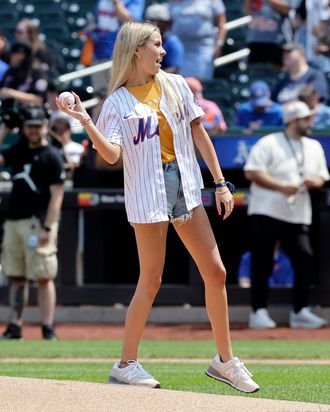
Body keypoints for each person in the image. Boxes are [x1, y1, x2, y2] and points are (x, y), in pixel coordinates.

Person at [56, 21, 259, 392]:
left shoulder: (176, 84)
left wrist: (220, 183)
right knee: (151, 279)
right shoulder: (116, 101)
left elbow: (199, 132)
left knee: (216, 272)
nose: (163, 51)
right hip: (149, 188)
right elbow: (112, 155)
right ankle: (125, 364)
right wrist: (86, 121)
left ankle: (225, 361)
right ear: (137, 49)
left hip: (185, 180)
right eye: (157, 44)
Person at [244, 100, 329, 329]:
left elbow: (322, 176)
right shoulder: (269, 142)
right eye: (306, 118)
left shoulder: (314, 146)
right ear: (293, 120)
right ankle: (258, 311)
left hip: (297, 212)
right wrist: (281, 187)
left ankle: (300, 310)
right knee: (262, 261)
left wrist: (315, 182)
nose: (310, 122)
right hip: (267, 209)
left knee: (304, 257)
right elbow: (252, 171)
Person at [0, 106, 65, 340]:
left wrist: (49, 226)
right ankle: (15, 326)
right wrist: (6, 127)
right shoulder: (19, 150)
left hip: (38, 222)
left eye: (37, 126)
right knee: (16, 276)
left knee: (43, 276)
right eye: (29, 126)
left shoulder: (52, 156)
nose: (34, 131)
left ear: (45, 127)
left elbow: (57, 195)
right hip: (14, 220)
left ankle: (48, 327)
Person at [82, 0, 145, 91]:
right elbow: (97, 20)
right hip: (99, 53)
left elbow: (132, 22)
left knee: (120, 91)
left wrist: (117, 3)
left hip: (120, 54)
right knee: (101, 93)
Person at [169, 0, 227, 80]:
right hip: (179, 47)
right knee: (178, 82)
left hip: (202, 48)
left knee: (199, 83)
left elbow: (221, 22)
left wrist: (219, 43)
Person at [244, 0, 292, 68]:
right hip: (256, 40)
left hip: (276, 41)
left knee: (278, 69)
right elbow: (247, 11)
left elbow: (288, 10)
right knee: (256, 70)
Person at [144, 2, 184, 74]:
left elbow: (174, 69)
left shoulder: (172, 42)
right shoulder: (140, 40)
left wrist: (151, 76)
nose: (155, 24)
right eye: (152, 21)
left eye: (160, 21)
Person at [48, 111, 85, 177]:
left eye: (62, 131)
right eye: (56, 131)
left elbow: (73, 167)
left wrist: (61, 146)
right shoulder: (51, 149)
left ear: (69, 129)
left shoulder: (79, 148)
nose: (60, 134)